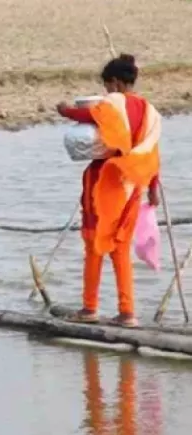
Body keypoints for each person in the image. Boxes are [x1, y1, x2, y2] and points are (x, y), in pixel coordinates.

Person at [56, 54, 161, 328]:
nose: (106, 91)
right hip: (132, 185)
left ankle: (89, 307)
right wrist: (153, 188)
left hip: (105, 180)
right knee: (121, 248)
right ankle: (127, 312)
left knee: (93, 244)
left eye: (107, 86)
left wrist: (65, 110)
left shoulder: (114, 103)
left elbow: (89, 114)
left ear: (114, 83)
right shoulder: (149, 111)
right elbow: (150, 152)